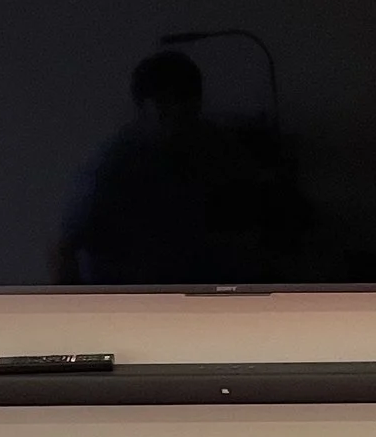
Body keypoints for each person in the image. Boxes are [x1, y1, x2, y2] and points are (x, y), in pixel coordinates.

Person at [55, 51, 277, 284]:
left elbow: (252, 223)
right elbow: (64, 250)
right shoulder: (111, 167)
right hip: (131, 303)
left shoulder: (220, 149)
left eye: (184, 99)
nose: (177, 110)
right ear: (142, 106)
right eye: (164, 102)